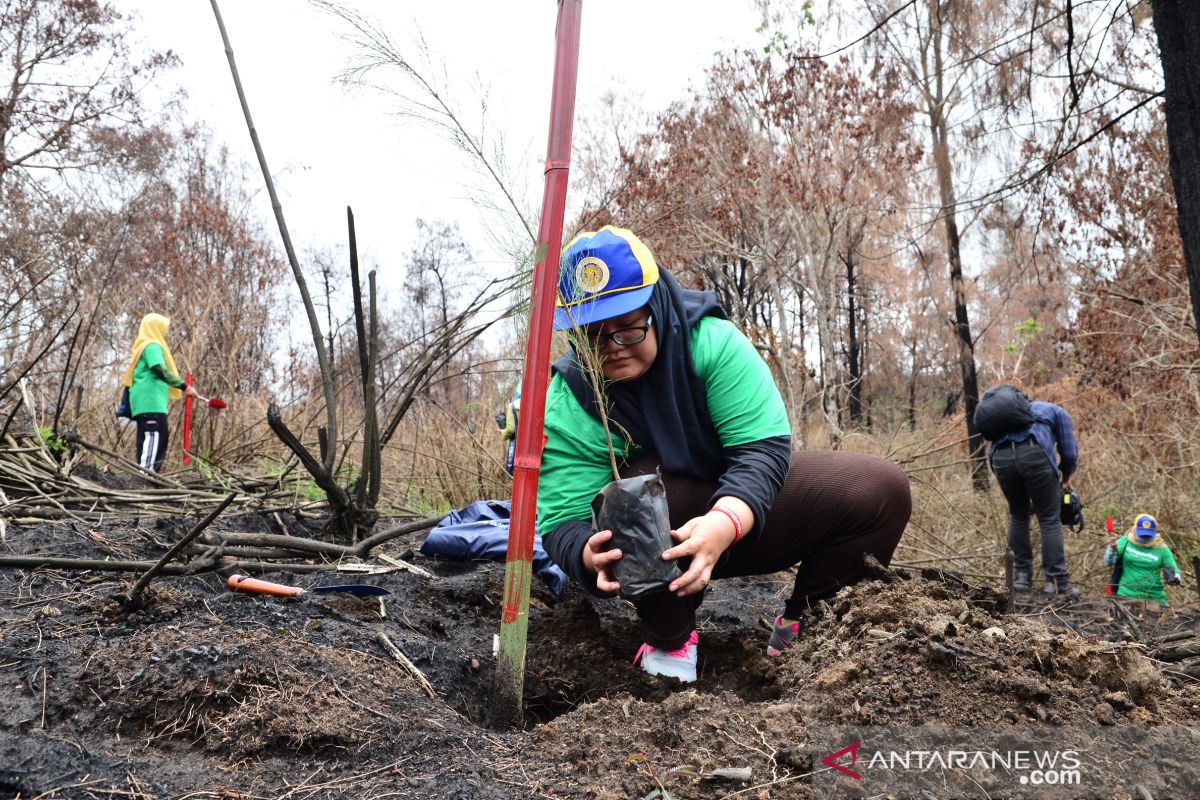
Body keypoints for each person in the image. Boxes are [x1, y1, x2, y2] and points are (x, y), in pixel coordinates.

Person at [538, 226, 912, 683]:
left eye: (628, 328)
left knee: (878, 489)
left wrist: (725, 522)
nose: (613, 348)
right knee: (637, 495)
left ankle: (802, 628)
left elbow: (763, 450)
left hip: (741, 517)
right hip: (663, 534)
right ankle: (670, 641)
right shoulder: (570, 398)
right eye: (594, 336)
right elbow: (560, 518)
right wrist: (584, 555)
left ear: (655, 305)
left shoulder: (711, 343)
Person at [983, 385, 1081, 598]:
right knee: (1049, 519)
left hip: (1000, 458)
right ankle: (1056, 582)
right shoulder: (1055, 411)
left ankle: (1021, 578)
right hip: (1034, 452)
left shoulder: (1004, 419)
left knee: (1018, 515)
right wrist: (1064, 479)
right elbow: (1069, 454)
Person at [119, 313, 200, 472]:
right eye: (164, 328)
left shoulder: (143, 346)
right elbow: (159, 369)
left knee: (153, 439)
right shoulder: (152, 346)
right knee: (153, 438)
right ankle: (145, 478)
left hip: (147, 403)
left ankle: (147, 476)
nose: (166, 333)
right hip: (151, 403)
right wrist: (184, 386)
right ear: (155, 328)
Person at [1104, 513, 1184, 606]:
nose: (1145, 538)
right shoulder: (1126, 541)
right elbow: (1108, 562)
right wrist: (1112, 548)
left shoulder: (1162, 549)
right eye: (1142, 535)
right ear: (1135, 529)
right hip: (1126, 596)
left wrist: (1174, 579)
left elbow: (1174, 570)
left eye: (1148, 535)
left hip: (1154, 599)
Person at [495, 387, 522, 476]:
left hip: (517, 444)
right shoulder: (538, 403)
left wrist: (502, 432)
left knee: (514, 471)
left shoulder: (513, 406)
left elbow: (511, 429)